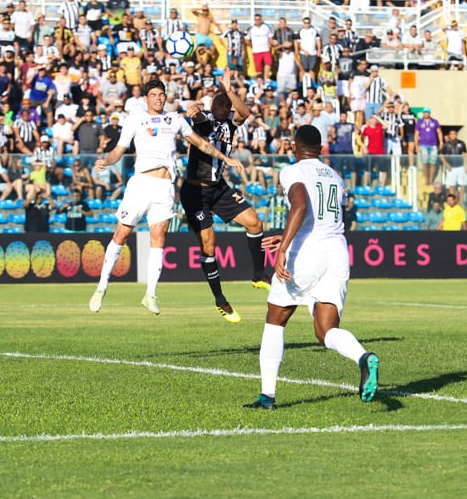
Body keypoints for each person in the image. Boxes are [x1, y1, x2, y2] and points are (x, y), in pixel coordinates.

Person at [243, 125, 379, 411]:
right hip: (337, 251)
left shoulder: (293, 171)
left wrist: (283, 248)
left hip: (307, 252)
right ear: (320, 148)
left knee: (275, 319)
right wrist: (291, 235)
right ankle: (364, 357)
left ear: (295, 146)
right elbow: (323, 216)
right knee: (326, 330)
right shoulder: (335, 176)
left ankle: (267, 396)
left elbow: (301, 206)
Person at [89, 79, 244, 316]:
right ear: (146, 98)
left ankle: (150, 294)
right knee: (122, 234)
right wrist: (106, 161)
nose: (159, 98)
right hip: (141, 184)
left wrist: (226, 159)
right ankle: (101, 287)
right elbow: (119, 150)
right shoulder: (135, 119)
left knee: (158, 238)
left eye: (161, 95)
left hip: (165, 187)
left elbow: (201, 143)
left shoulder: (176, 120)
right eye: (153, 95)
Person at [181, 68, 270, 324]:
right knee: (209, 245)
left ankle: (257, 274)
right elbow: (196, 115)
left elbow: (246, 113)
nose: (223, 106)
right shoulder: (206, 121)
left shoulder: (232, 123)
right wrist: (195, 108)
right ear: (214, 105)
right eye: (220, 102)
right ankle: (220, 300)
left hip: (218, 188)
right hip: (195, 191)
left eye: (226, 103)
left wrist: (230, 90)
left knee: (255, 223)